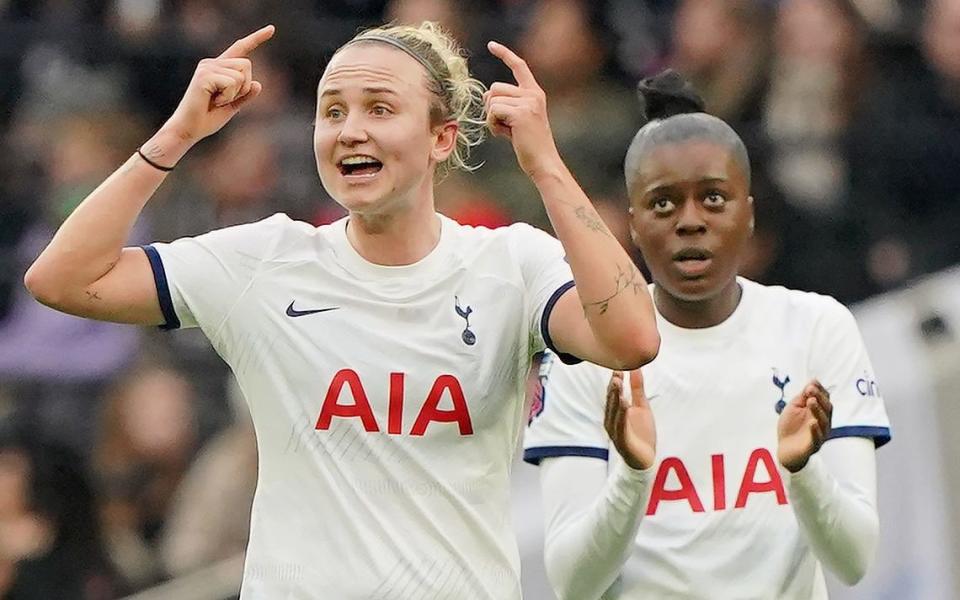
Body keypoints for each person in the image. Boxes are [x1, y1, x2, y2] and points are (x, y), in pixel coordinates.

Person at [23, 21, 660, 599]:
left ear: (442, 137)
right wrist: (180, 131)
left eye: (379, 108)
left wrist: (546, 165)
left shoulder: (511, 263)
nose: (350, 129)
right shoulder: (265, 261)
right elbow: (62, 279)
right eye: (332, 111)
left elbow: (632, 337)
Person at [523, 71, 891, 600]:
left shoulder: (818, 328)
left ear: (749, 213)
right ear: (632, 223)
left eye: (714, 199)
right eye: (664, 204)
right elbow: (571, 582)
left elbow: (855, 561)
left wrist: (803, 472)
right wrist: (632, 475)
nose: (690, 222)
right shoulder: (588, 351)